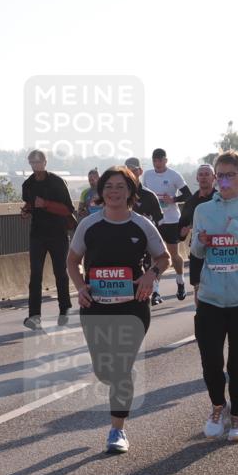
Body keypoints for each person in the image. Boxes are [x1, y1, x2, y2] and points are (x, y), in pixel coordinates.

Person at [66, 166, 170, 453]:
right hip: (95, 306)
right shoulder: (89, 224)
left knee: (121, 367)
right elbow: (72, 261)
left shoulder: (142, 224)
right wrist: (81, 288)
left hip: (133, 307)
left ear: (131, 192)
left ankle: (117, 430)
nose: (114, 191)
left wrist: (151, 274)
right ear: (101, 192)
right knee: (105, 370)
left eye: (120, 186)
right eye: (109, 186)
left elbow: (164, 257)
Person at [190, 150, 238, 441]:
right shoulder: (203, 210)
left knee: (237, 364)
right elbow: (197, 253)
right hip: (210, 297)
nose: (223, 180)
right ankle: (217, 407)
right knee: (210, 361)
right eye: (219, 175)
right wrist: (200, 242)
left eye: (229, 175)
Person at [21, 150, 75, 330]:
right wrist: (26, 211)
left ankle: (65, 309)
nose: (35, 164)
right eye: (32, 161)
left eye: (38, 161)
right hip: (37, 234)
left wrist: (45, 204)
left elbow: (68, 209)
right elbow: (29, 204)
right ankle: (34, 316)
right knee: (35, 276)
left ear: (45, 162)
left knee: (60, 272)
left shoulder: (57, 182)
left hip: (58, 233)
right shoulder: (27, 184)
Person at [140, 148, 192, 301]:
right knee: (155, 256)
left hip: (171, 220)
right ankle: (156, 291)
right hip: (154, 221)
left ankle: (180, 281)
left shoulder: (174, 175)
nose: (157, 164)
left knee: (173, 255)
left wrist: (173, 200)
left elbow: (188, 195)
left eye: (160, 160)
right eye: (154, 161)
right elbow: (143, 195)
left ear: (166, 160)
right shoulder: (148, 175)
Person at [123, 157, 165, 305]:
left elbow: (160, 220)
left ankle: (155, 292)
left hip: (147, 238)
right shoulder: (122, 194)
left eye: (133, 170)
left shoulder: (149, 195)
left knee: (151, 266)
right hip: (126, 239)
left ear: (140, 171)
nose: (130, 173)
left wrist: (158, 239)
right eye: (126, 170)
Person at [180, 164, 219, 301]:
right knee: (198, 287)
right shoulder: (190, 202)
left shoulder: (221, 199)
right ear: (197, 178)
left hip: (219, 248)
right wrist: (184, 230)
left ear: (214, 177)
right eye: (201, 174)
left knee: (218, 286)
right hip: (197, 249)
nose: (203, 177)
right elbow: (181, 230)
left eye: (207, 174)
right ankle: (201, 316)